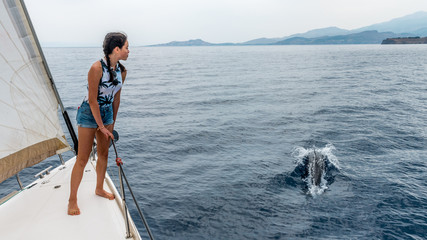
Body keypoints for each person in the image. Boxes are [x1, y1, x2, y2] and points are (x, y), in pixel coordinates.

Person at [68, 32, 129, 215]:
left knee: (103, 154)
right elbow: (93, 100)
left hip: (107, 114)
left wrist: (112, 122)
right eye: (127, 47)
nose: (129, 51)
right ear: (116, 49)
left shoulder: (122, 71)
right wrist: (101, 126)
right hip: (89, 114)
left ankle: (99, 188)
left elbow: (116, 98)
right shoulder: (96, 68)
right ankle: (72, 199)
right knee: (82, 158)